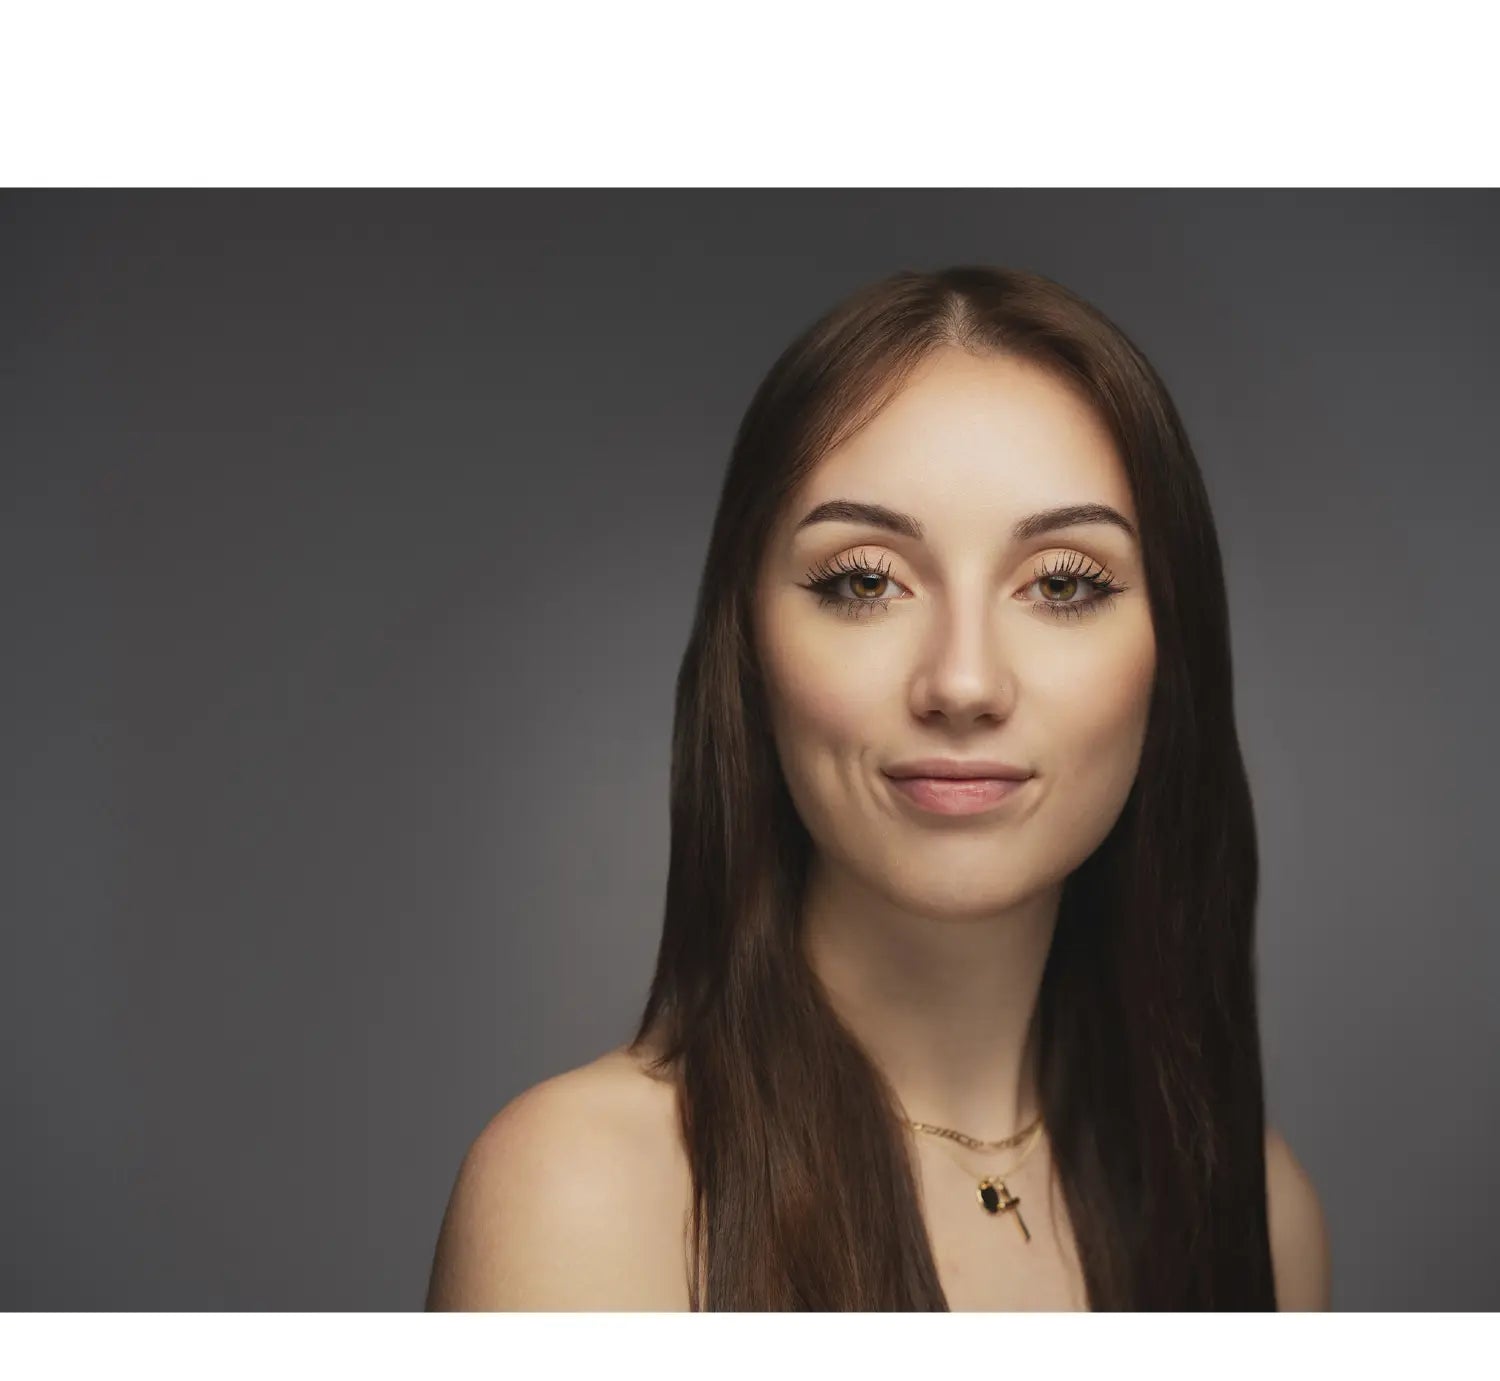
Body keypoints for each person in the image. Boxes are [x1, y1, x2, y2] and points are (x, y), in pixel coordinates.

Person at [424, 265, 1332, 1312]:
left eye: (1064, 582)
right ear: (750, 647)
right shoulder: (583, 1193)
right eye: (864, 581)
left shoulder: (1257, 1213)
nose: (962, 682)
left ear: (1172, 654)